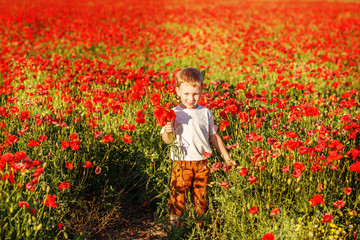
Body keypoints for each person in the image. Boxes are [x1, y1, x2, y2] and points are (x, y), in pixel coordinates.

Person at [161, 67, 236, 227]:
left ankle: (199, 228)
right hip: (181, 163)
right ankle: (175, 230)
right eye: (186, 94)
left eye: (195, 94)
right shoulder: (173, 113)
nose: (190, 98)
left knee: (201, 198)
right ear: (177, 91)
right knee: (178, 197)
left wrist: (226, 157)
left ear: (201, 91)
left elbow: (214, 136)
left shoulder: (206, 112)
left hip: (202, 163)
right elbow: (167, 141)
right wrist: (167, 131)